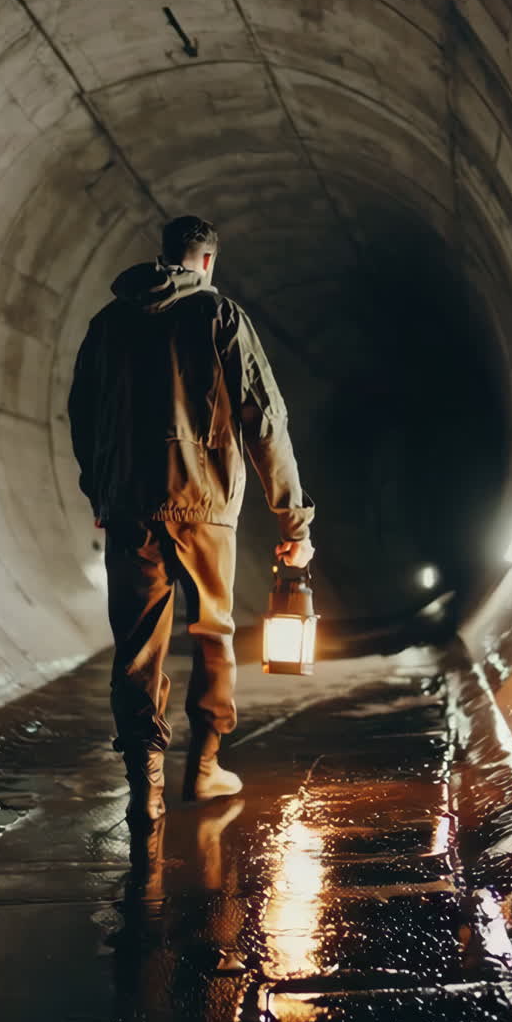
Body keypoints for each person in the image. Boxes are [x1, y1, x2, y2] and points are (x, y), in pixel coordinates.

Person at [67, 216, 314, 821]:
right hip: (204, 507)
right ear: (206, 262)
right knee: (212, 635)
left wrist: (101, 488)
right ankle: (204, 768)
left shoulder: (108, 322)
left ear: (165, 256)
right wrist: (294, 524)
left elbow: (82, 413)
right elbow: (263, 417)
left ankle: (142, 785)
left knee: (137, 650)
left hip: (129, 507)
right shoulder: (219, 316)